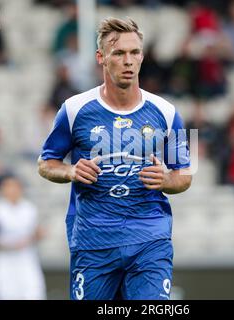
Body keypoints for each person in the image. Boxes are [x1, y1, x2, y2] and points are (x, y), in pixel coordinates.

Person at [38, 17, 192, 300]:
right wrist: (71, 171)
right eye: (119, 53)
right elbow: (46, 164)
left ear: (142, 56)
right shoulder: (74, 110)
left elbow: (183, 176)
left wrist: (166, 179)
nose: (128, 61)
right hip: (94, 240)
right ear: (101, 57)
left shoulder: (167, 112)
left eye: (134, 52)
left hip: (149, 238)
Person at [0, 176, 47, 300]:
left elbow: (40, 233)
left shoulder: (29, 209)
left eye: (15, 187)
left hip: (27, 259)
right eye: (8, 187)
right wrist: (10, 245)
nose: (12, 191)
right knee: (5, 294)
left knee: (34, 293)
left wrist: (29, 240)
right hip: (4, 261)